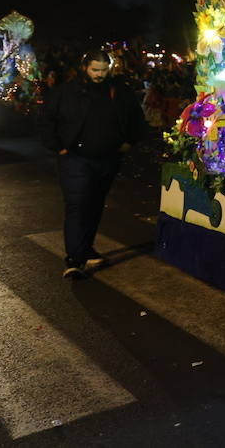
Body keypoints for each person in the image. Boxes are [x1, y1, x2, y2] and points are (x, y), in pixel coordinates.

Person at [41, 51, 145, 279]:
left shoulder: (119, 91)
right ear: (85, 68)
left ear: (110, 68)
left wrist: (129, 142)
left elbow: (137, 118)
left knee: (95, 204)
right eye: (94, 70)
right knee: (78, 205)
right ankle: (75, 259)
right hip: (75, 158)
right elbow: (47, 120)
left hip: (107, 157)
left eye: (103, 70)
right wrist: (59, 147)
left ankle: (85, 248)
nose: (99, 75)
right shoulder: (67, 92)